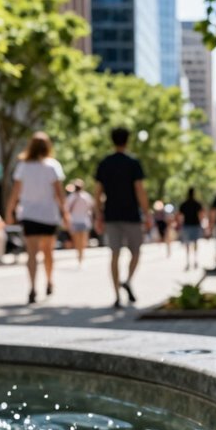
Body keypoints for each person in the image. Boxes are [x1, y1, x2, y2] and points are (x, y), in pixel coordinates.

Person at [4, 132, 69, 304]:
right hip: (48, 215)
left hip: (30, 214)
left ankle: (32, 287)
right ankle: (48, 281)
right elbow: (59, 194)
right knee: (48, 251)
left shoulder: (23, 166)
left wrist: (9, 212)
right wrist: (65, 213)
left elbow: (15, 192)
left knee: (32, 254)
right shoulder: (52, 165)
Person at [94, 127, 151, 308]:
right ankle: (127, 281)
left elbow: (97, 193)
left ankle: (117, 294)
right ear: (127, 140)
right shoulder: (133, 163)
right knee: (135, 252)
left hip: (111, 215)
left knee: (114, 254)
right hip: (131, 215)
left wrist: (98, 215)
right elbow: (140, 191)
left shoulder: (105, 163)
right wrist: (147, 213)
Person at [65, 179, 94, 265]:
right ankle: (81, 255)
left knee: (78, 240)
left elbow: (67, 209)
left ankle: (80, 255)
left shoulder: (71, 197)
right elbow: (90, 208)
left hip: (76, 221)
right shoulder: (86, 196)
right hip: (83, 220)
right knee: (82, 240)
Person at [177, 187, 204, 271]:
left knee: (187, 244)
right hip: (195, 225)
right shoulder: (197, 203)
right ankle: (194, 260)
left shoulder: (184, 204)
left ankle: (189, 261)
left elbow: (180, 216)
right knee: (195, 243)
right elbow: (201, 215)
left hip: (187, 225)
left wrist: (180, 224)